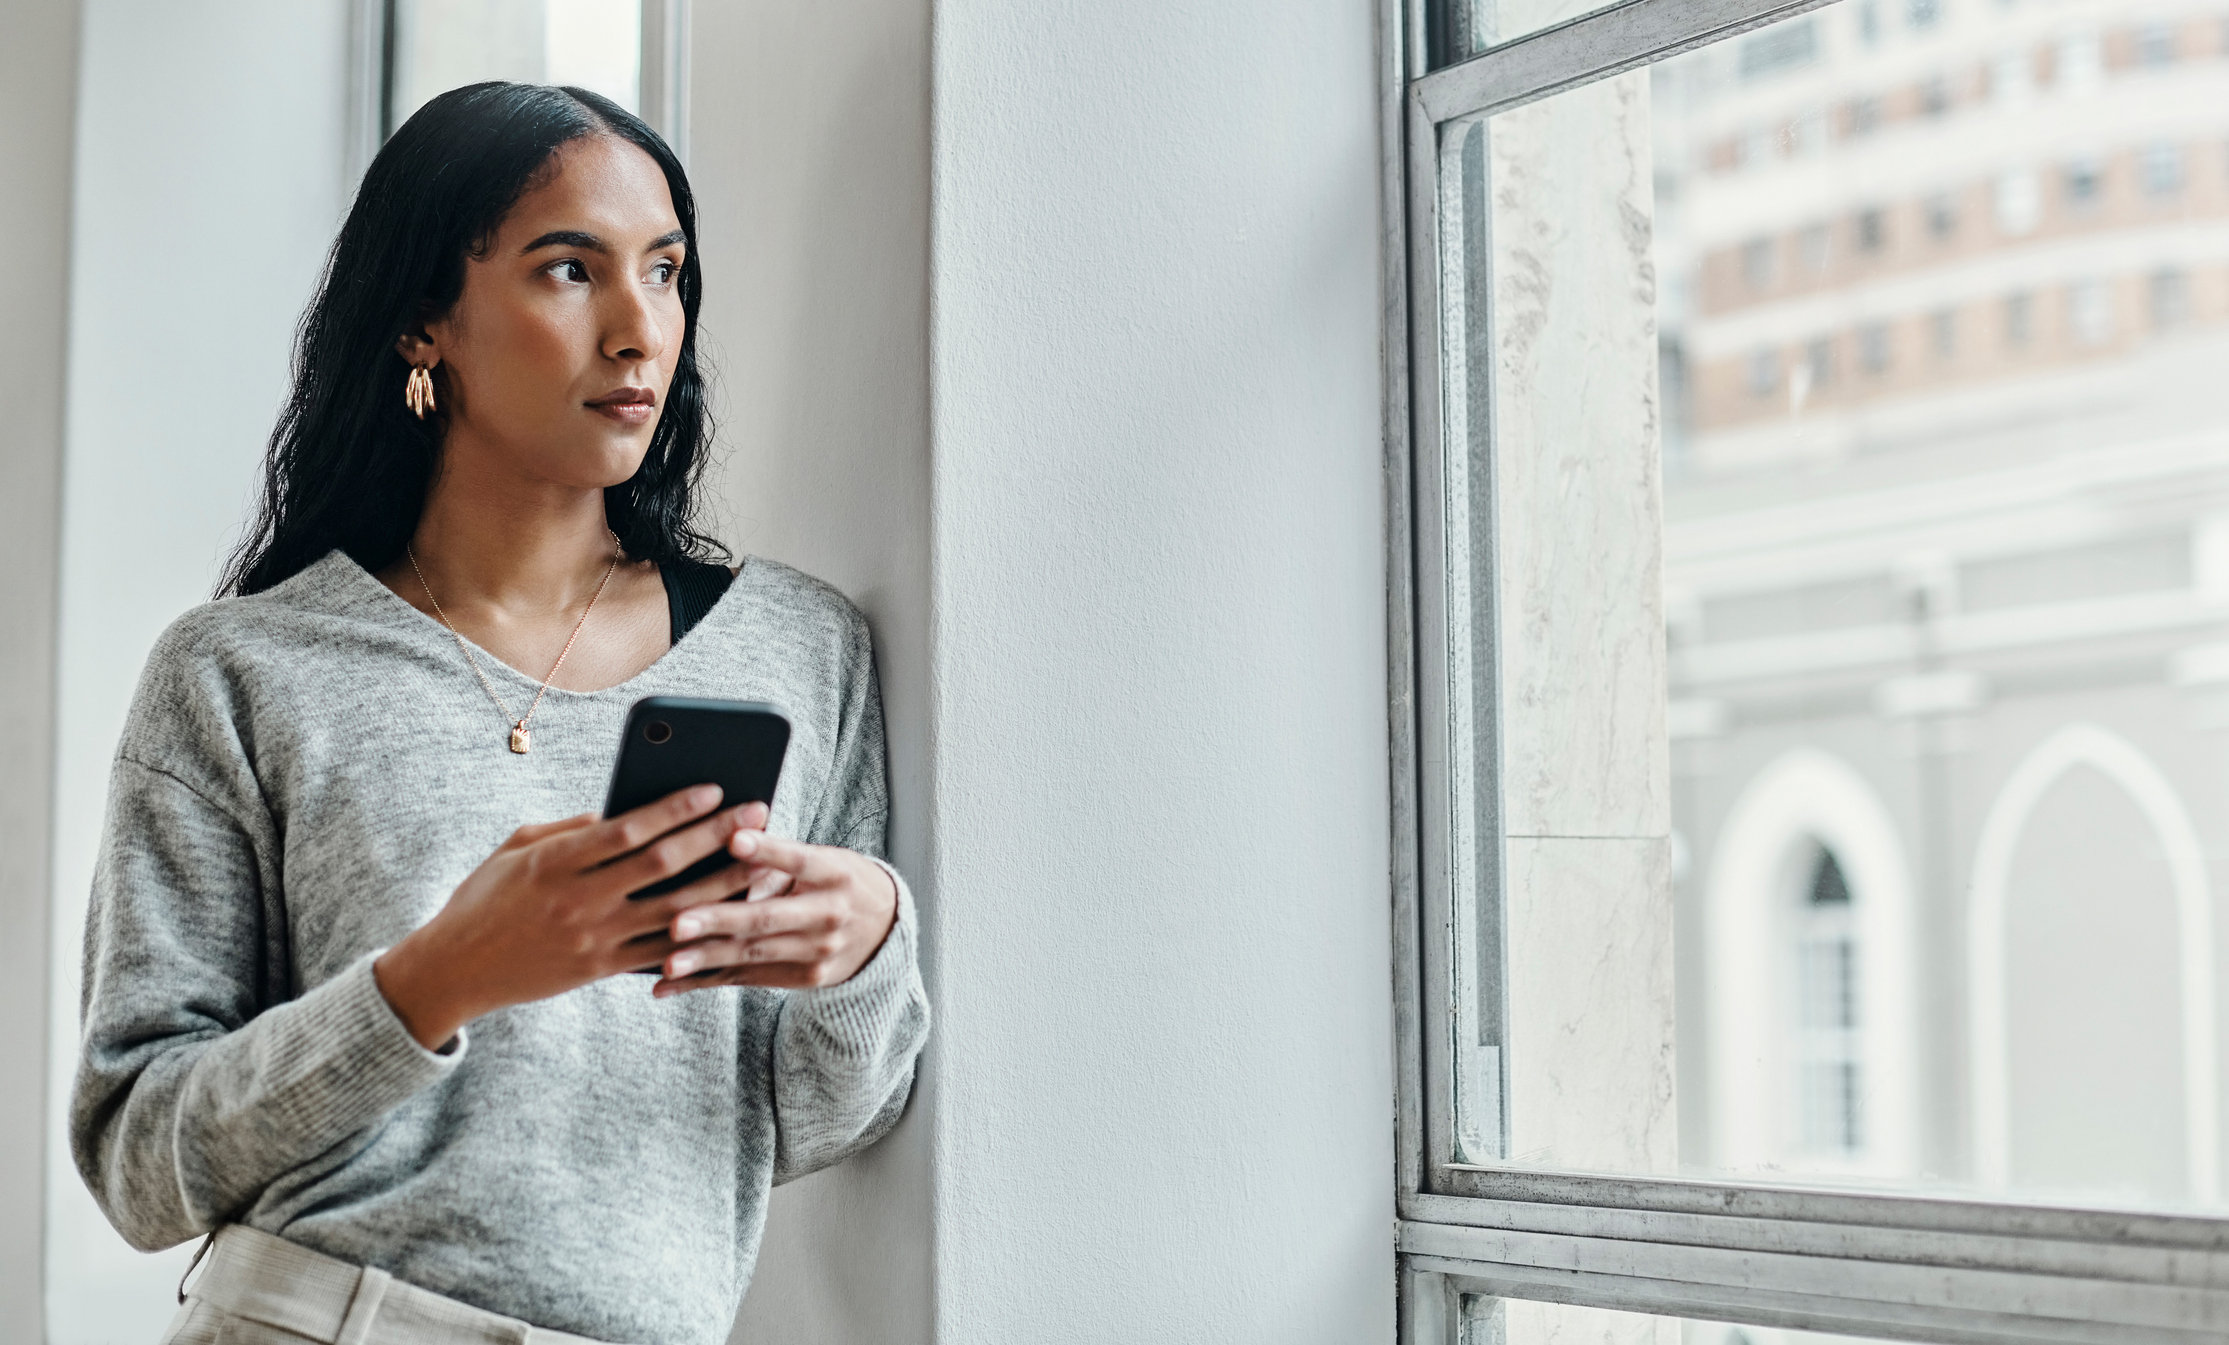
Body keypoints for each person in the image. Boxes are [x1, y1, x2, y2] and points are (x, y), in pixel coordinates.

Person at [70, 83, 927, 1345]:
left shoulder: (797, 650)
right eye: (570, 269)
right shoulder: (242, 670)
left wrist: (867, 952)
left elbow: (810, 1123)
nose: (641, 329)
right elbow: (140, 1160)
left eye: (668, 270)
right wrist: (439, 978)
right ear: (428, 321)